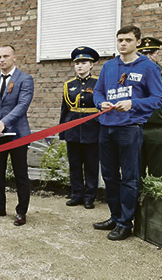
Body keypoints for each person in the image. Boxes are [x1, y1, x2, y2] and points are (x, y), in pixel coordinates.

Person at [92, 26, 162, 241]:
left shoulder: (148, 67)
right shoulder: (109, 66)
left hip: (130, 128)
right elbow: (98, 91)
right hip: (106, 126)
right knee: (110, 176)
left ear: (137, 43)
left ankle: (125, 223)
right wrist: (99, 103)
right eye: (120, 40)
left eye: (128, 40)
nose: (123, 44)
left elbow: (158, 98)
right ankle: (115, 216)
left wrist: (132, 103)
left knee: (130, 178)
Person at [0, 44, 34, 226]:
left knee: (20, 174)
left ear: (14, 58)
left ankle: (21, 212)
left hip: (17, 133)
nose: (1, 60)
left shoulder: (25, 79)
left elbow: (22, 105)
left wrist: (4, 122)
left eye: (5, 56)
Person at [59, 46, 101, 209]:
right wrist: (63, 131)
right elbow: (65, 110)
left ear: (91, 65)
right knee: (74, 164)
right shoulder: (68, 85)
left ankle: (90, 196)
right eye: (77, 63)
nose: (80, 66)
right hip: (73, 130)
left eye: (84, 62)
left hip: (92, 129)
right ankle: (76, 194)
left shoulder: (98, 83)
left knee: (91, 165)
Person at [138, 37, 162, 177]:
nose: (147, 57)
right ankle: (136, 199)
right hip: (136, 127)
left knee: (157, 172)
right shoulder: (131, 75)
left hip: (157, 129)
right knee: (135, 171)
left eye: (151, 53)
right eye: (143, 54)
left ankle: (155, 200)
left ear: (157, 54)